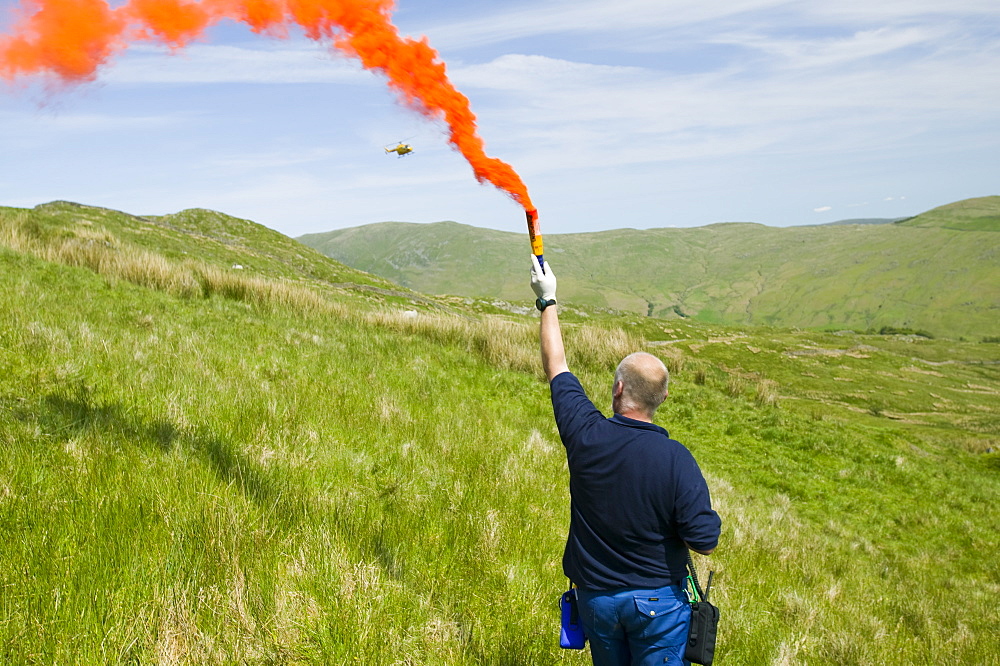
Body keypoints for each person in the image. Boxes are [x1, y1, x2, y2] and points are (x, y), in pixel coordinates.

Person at [530, 257, 721, 666]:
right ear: (662, 399)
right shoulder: (676, 460)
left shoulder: (585, 433)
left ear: (617, 389)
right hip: (660, 602)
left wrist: (548, 301)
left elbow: (556, 366)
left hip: (596, 599)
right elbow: (704, 540)